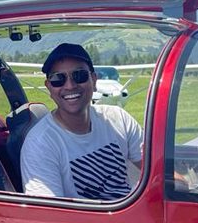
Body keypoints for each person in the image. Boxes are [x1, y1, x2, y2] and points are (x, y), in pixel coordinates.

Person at [18, 43, 144, 200]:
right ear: (49, 87)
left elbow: (157, 169)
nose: (70, 86)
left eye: (79, 75)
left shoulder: (118, 118)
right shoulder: (40, 143)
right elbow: (50, 215)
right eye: (58, 79)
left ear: (94, 80)